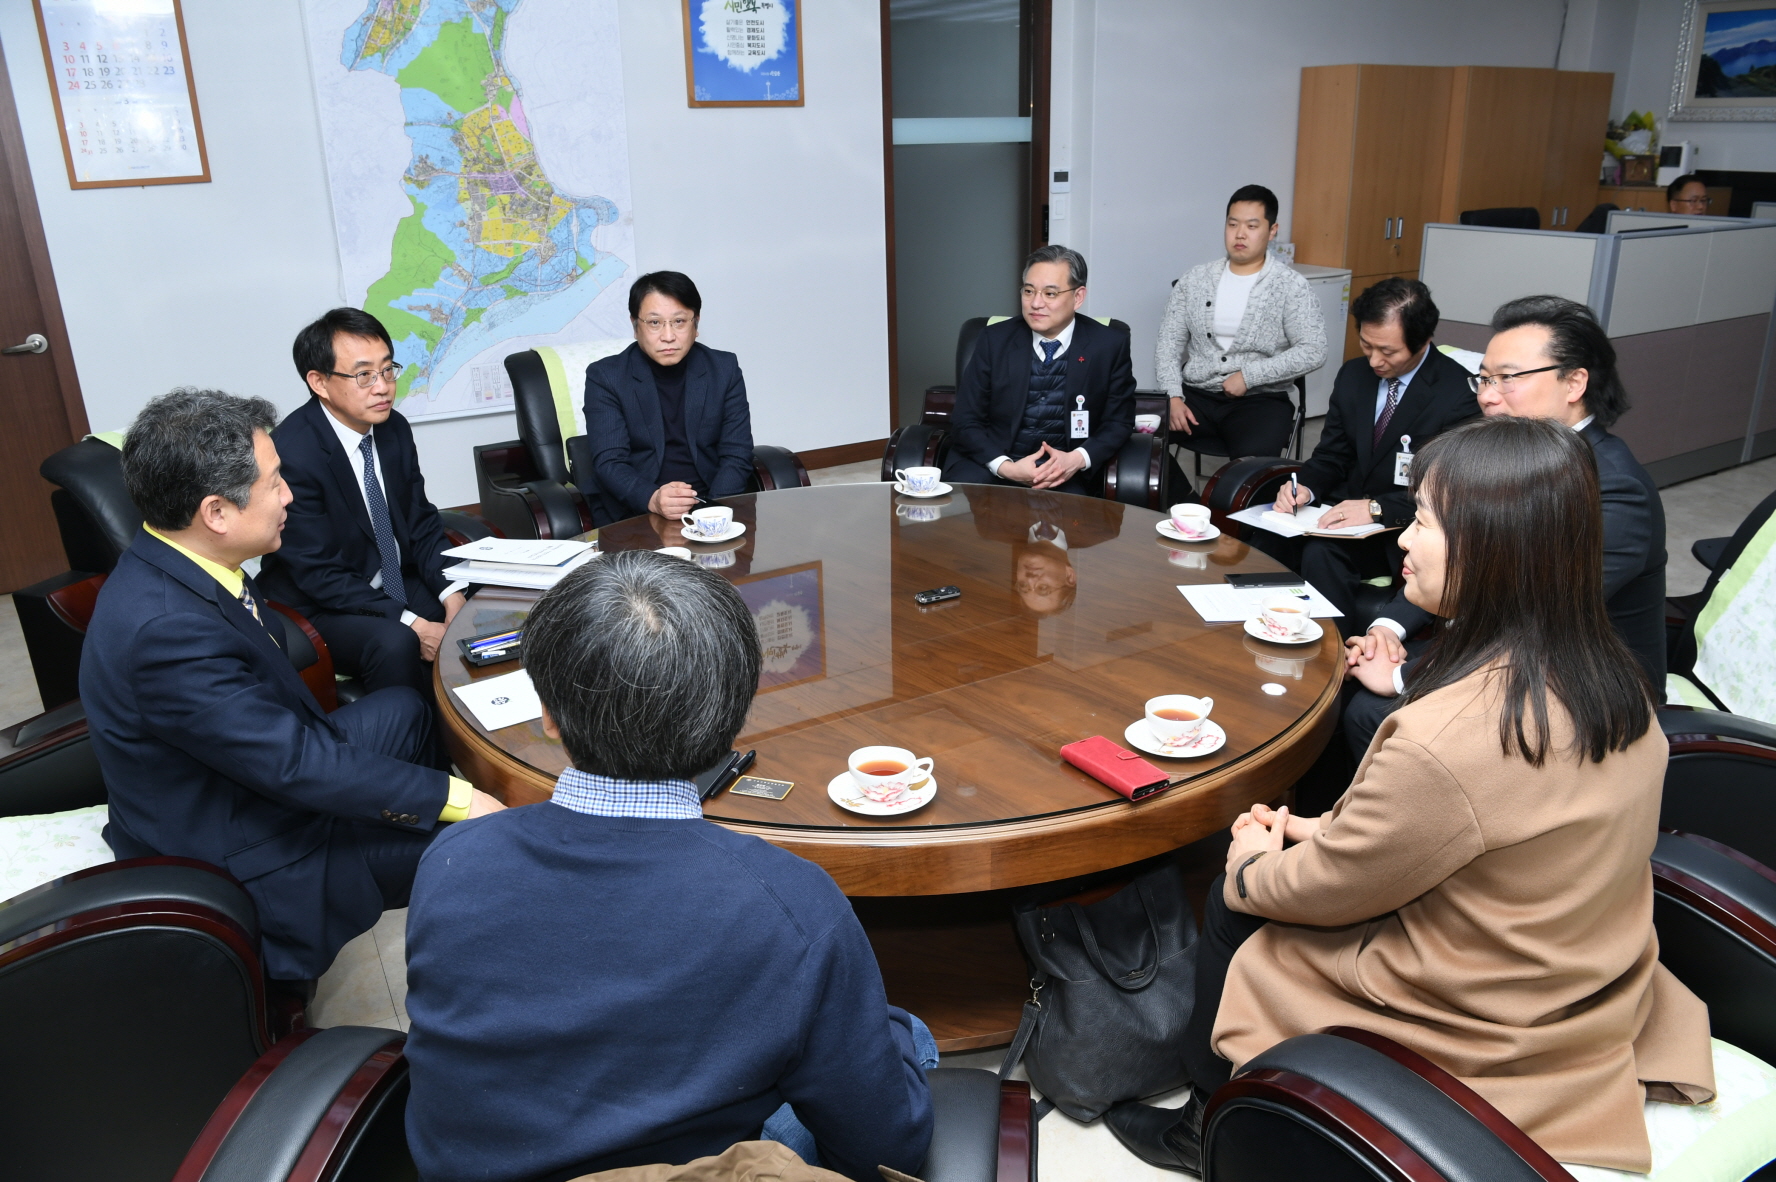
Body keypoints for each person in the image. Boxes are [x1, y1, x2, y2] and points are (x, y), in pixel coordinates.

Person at [1104, 417, 1713, 1176]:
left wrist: (1257, 860)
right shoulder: (1610, 679)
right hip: (1583, 970)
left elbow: (1335, 888)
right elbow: (1473, 824)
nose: (1401, 539)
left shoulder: (1449, 733)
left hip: (1483, 1013)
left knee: (1236, 901)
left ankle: (1206, 1121)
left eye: (1422, 519)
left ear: (1492, 546)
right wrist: (1320, 824)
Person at [402, 550, 935, 1182]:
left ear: (546, 713)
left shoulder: (453, 859)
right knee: (909, 1036)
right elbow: (883, 1152)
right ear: (730, 723)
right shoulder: (792, 906)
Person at [81, 389, 503, 984]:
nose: (290, 496)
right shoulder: (166, 632)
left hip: (262, 767)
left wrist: (428, 795)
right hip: (246, 843)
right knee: (491, 844)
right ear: (216, 512)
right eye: (275, 483)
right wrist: (457, 801)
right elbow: (298, 766)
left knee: (406, 710)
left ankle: (407, 820)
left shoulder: (185, 560)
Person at [1342, 295, 1667, 755]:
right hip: (1496, 648)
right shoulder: (1509, 459)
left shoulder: (1610, 488)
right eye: (1485, 378)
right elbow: (1445, 555)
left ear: (1574, 382)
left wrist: (1399, 673)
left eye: (1508, 378)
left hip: (1582, 683)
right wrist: (1389, 630)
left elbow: (1534, 617)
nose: (1487, 395)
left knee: (1371, 714)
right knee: (1349, 678)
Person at [258, 309, 468, 703]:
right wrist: (414, 624)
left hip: (391, 579)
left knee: (473, 610)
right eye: (364, 375)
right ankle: (415, 753)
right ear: (319, 382)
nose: (383, 387)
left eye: (388, 370)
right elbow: (320, 573)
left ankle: (477, 742)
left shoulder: (394, 429)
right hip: (320, 601)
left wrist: (452, 594)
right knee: (396, 641)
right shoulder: (292, 453)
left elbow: (422, 523)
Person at [1265, 278, 1480, 619]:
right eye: (1367, 345)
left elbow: (1452, 491)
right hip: (1340, 513)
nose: (1375, 361)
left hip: (1400, 528)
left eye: (1389, 351)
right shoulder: (1353, 375)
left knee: (1321, 552)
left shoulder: (1458, 396)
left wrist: (1377, 509)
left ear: (1423, 340)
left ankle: (1333, 658)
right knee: (1263, 535)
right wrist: (1304, 487)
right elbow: (1332, 454)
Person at [942, 245, 1135, 495]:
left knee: (1075, 518)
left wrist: (1076, 459)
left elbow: (1119, 421)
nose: (1035, 303)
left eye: (1050, 294)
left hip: (1066, 469)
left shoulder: (1109, 344)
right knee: (959, 515)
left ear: (1078, 297)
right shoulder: (994, 339)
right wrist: (1005, 467)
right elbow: (966, 420)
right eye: (1029, 291)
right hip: (992, 461)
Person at [1157, 185, 1327, 460]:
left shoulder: (1290, 286)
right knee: (1131, 436)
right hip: (1195, 396)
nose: (1240, 234)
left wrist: (1250, 376)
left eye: (1252, 225)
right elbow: (1168, 344)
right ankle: (1185, 502)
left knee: (1252, 470)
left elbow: (1314, 349)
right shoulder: (1194, 280)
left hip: (1260, 402)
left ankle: (1226, 503)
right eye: (1232, 224)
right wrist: (1173, 397)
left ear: (1272, 230)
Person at [583, 271, 756, 525]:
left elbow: (737, 452)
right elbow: (610, 462)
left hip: (713, 502)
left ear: (695, 324)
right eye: (654, 323)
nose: (668, 336)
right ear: (635, 326)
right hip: (638, 510)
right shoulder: (606, 377)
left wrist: (713, 513)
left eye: (679, 322)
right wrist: (652, 499)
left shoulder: (724, 368)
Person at [967, 485, 1124, 615]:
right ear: (1069, 576)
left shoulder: (991, 526)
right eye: (1043, 588)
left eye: (1023, 585)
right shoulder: (1103, 528)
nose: (1030, 579)